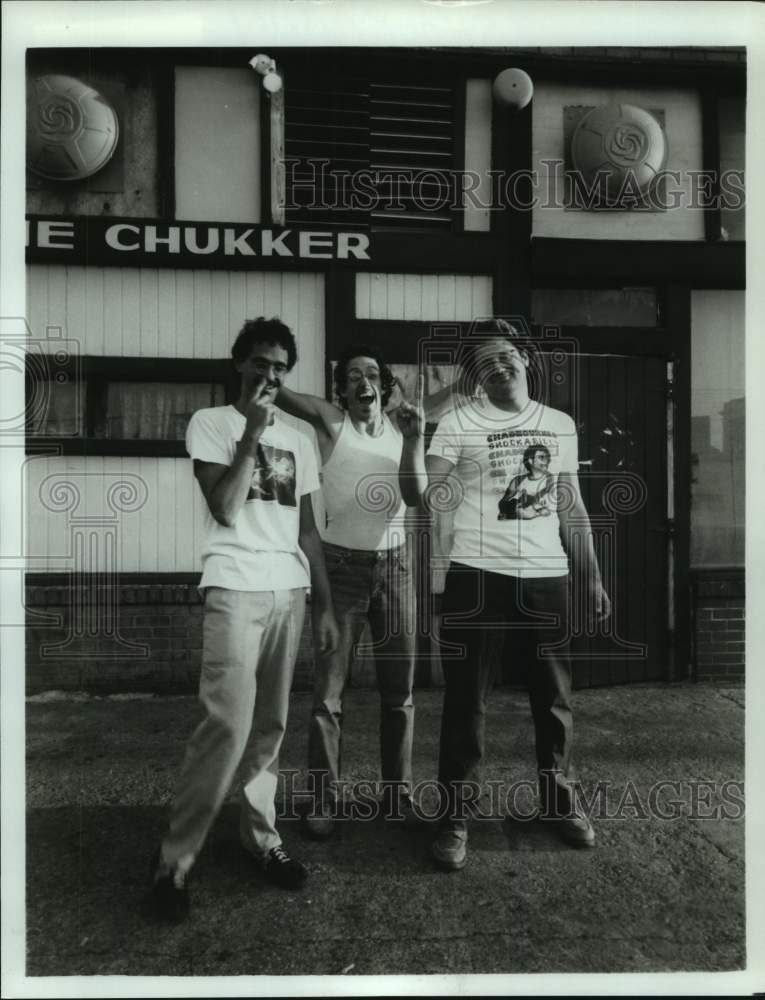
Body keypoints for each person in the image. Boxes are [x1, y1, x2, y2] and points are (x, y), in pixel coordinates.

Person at [399, 318, 611, 871]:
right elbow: (420, 493)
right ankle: (454, 818)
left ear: (525, 360)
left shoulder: (558, 423)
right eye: (486, 361)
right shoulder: (458, 422)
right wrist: (411, 441)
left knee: (555, 697)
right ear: (476, 377)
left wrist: (591, 576)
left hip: (547, 577)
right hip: (477, 575)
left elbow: (573, 505)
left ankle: (560, 804)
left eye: (506, 355)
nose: (499, 366)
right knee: (466, 701)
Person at [150, 317, 338, 920]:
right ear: (240, 364)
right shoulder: (213, 423)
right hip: (234, 584)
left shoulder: (304, 440)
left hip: (290, 590)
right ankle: (174, 864)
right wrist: (253, 434)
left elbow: (308, 529)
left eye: (281, 367)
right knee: (225, 727)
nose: (270, 375)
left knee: (270, 728)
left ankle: (263, 839)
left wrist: (327, 606)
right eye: (260, 363)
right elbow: (227, 508)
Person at [275, 344, 422, 835]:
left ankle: (396, 795)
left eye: (373, 374)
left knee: (399, 693)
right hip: (341, 571)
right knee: (328, 695)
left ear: (384, 385)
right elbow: (282, 394)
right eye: (354, 375)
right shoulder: (332, 422)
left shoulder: (404, 427)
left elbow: (458, 395)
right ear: (342, 390)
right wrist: (267, 366)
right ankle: (322, 800)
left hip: (396, 568)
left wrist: (483, 360)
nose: (364, 383)